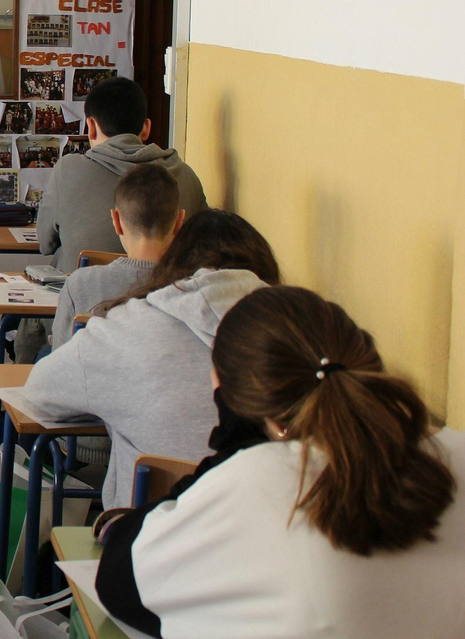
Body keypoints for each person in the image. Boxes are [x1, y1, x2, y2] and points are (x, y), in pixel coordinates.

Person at [95, 286, 464, 637]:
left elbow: (120, 579)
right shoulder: (454, 450)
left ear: (236, 402)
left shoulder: (256, 479)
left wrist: (237, 441)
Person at [23, 210, 280, 508]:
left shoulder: (127, 328)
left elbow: (38, 393)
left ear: (173, 261)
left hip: (144, 526)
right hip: (270, 527)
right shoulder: (300, 335)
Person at [36, 76, 206, 270]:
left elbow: (45, 244)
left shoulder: (67, 170)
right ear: (146, 128)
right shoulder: (186, 175)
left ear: (91, 127)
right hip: (165, 287)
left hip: (83, 287)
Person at [47, 163, 185, 351]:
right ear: (179, 222)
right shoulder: (195, 289)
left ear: (116, 221)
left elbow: (60, 356)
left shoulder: (80, 285)